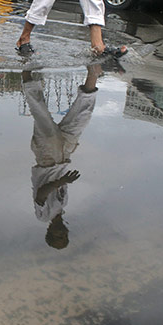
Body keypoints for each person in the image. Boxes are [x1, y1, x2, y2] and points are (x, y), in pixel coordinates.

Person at [22, 63, 103, 249]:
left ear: (50, 232)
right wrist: (63, 178)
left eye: (57, 235)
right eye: (63, 235)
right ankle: (93, 73)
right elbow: (59, 183)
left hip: (47, 155)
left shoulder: (43, 216)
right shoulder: (63, 204)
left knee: (39, 111)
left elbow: (40, 195)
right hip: (64, 153)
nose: (61, 232)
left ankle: (26, 68)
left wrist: (61, 181)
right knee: (83, 116)